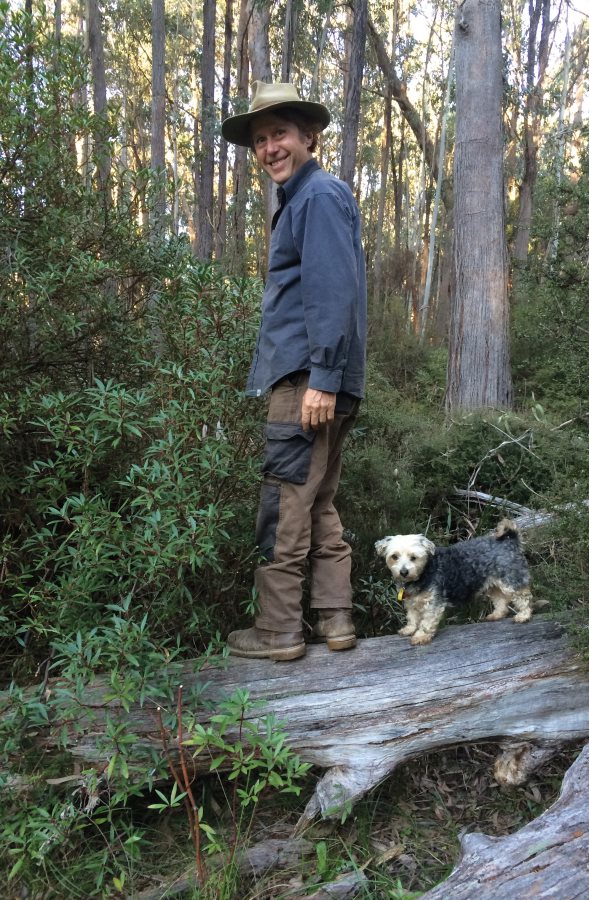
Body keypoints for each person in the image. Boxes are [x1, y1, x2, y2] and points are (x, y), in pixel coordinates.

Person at [221, 81, 367, 661]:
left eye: (278, 133)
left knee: (284, 503)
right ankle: (335, 622)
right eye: (260, 139)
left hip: (310, 381)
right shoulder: (306, 201)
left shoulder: (318, 198)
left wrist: (323, 381)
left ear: (309, 136)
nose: (269, 148)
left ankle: (279, 630)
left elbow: (334, 293)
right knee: (319, 502)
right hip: (320, 379)